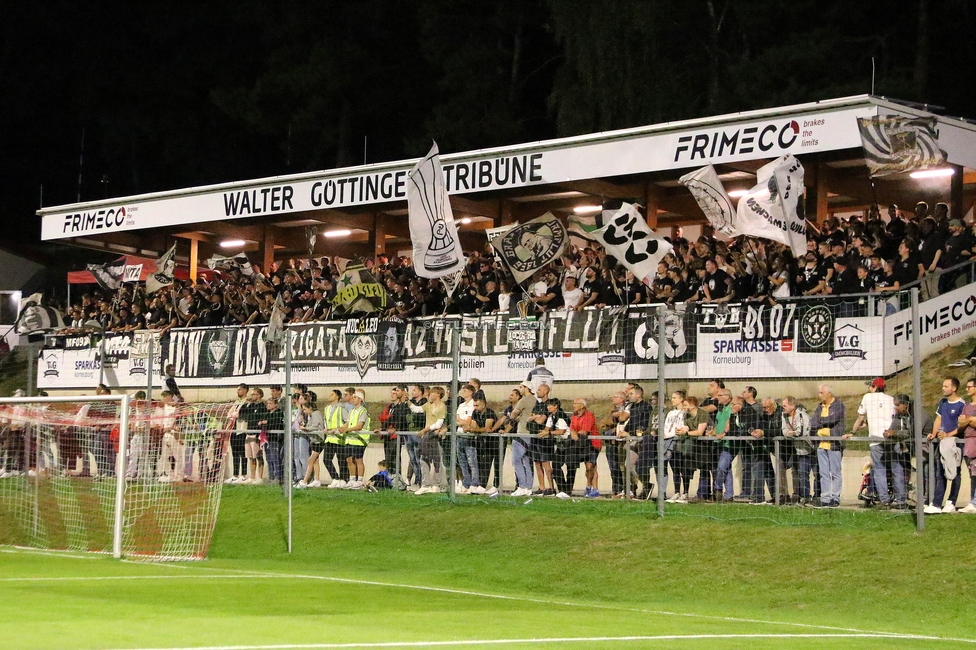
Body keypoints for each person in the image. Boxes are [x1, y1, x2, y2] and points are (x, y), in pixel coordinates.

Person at [851, 378, 898, 508]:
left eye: (870, 386)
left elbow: (860, 417)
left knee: (879, 469)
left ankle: (884, 500)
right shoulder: (890, 399)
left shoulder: (867, 398)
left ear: (875, 387)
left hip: (876, 438)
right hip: (890, 437)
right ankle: (900, 499)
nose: (869, 388)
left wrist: (852, 432)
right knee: (895, 468)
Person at [924, 377, 964, 514]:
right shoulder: (942, 402)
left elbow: (961, 426)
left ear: (954, 388)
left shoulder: (961, 405)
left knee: (954, 472)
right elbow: (938, 419)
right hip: (942, 442)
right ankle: (936, 503)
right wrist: (933, 434)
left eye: (946, 386)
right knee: (940, 471)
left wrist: (949, 435)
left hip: (955, 443)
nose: (943, 388)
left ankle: (951, 501)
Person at [810, 384, 848, 508]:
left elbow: (832, 420)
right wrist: (821, 427)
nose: (819, 395)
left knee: (835, 472)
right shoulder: (819, 407)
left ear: (829, 393)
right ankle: (825, 498)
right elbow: (813, 422)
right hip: (821, 444)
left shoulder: (838, 405)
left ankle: (835, 497)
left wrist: (821, 427)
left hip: (834, 445)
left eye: (821, 392)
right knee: (823, 473)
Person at [409, 386, 447, 494]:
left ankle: (437, 484)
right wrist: (406, 400)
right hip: (426, 436)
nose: (429, 395)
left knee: (437, 461)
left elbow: (438, 424)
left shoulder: (442, 406)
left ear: (438, 395)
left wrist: (425, 429)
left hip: (434, 436)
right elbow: (417, 409)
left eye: (432, 393)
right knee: (423, 459)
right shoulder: (428, 405)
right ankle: (425, 484)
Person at [673, 396, 709, 504]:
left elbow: (699, 432)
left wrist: (686, 433)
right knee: (685, 465)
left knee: (705, 469)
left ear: (692, 406)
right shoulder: (687, 416)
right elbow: (686, 428)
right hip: (695, 446)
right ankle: (686, 493)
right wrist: (681, 430)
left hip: (706, 445)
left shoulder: (702, 414)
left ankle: (705, 494)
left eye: (685, 405)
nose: (683, 407)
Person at [781, 396, 815, 505]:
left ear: (792, 406)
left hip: (810, 449)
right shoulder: (784, 416)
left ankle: (813, 496)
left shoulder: (801, 415)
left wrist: (791, 433)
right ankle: (802, 497)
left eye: (785, 405)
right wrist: (790, 433)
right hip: (798, 450)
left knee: (813, 474)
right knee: (800, 474)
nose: (783, 408)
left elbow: (801, 432)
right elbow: (784, 431)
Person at [507, 381, 537, 497]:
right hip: (530, 434)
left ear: (527, 388)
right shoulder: (535, 400)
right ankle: (528, 487)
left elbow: (514, 414)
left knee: (516, 460)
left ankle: (522, 486)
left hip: (522, 433)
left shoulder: (523, 400)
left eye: (521, 387)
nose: (520, 389)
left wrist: (513, 417)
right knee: (526, 461)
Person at [528, 383, 556, 496]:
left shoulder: (548, 405)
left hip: (545, 439)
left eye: (539, 390)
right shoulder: (537, 405)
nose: (537, 392)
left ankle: (551, 487)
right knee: (537, 463)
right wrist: (536, 416)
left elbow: (541, 421)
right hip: (535, 437)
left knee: (546, 464)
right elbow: (529, 418)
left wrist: (536, 417)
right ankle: (542, 487)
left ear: (545, 391)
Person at [569, 397, 600, 498]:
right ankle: (589, 486)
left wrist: (575, 434)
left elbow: (585, 430)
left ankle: (594, 488)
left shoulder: (589, 415)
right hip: (581, 444)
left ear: (582, 406)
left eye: (576, 403)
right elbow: (572, 428)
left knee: (591, 466)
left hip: (592, 443)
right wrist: (573, 433)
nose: (573, 405)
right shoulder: (574, 416)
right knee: (587, 467)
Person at [541, 397, 572, 498]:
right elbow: (547, 428)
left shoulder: (561, 416)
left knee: (570, 467)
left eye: (550, 405)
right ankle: (561, 489)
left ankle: (567, 490)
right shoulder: (551, 417)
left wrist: (548, 432)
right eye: (547, 405)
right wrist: (544, 432)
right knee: (556, 465)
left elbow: (562, 431)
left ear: (556, 406)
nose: (548, 407)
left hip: (568, 443)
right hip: (560, 444)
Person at [453, 384, 480, 495]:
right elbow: (457, 420)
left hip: (468, 436)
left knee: (471, 461)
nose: (462, 392)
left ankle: (474, 483)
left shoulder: (473, 405)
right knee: (462, 461)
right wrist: (461, 422)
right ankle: (466, 483)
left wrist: (462, 421)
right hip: (459, 434)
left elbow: (468, 421)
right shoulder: (461, 405)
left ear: (470, 392)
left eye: (465, 390)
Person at [469, 396, 498, 496]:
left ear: (484, 404)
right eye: (474, 405)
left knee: (497, 464)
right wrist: (475, 429)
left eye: (477, 405)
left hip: (496, 442)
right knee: (483, 463)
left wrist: (474, 429)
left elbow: (487, 428)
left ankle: (496, 486)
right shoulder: (475, 413)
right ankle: (482, 485)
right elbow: (473, 426)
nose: (475, 407)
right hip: (485, 442)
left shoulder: (489, 413)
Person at [340, 390, 370, 489]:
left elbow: (359, 426)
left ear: (360, 399)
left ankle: (360, 480)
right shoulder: (352, 410)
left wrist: (347, 429)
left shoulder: (363, 411)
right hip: (350, 439)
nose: (353, 399)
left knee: (359, 460)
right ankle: (352, 479)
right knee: (349, 459)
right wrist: (341, 428)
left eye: (355, 397)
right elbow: (348, 423)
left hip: (359, 439)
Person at [238, 387, 268, 484]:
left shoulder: (262, 406)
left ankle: (260, 476)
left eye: (253, 394)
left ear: (259, 395)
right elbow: (241, 412)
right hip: (248, 433)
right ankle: (252, 476)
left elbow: (262, 418)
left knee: (258, 456)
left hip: (256, 433)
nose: (251, 396)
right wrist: (246, 403)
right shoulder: (250, 406)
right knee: (250, 456)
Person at [660, 390, 685, 503]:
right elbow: (666, 425)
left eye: (675, 397)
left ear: (681, 399)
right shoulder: (670, 413)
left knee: (679, 467)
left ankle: (684, 492)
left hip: (677, 441)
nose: (672, 400)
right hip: (667, 440)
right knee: (671, 467)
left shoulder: (684, 412)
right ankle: (676, 491)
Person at [322, 389, 348, 489]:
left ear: (337, 397)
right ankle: (335, 478)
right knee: (326, 459)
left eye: (332, 394)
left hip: (339, 437)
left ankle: (343, 479)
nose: (329, 396)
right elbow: (327, 421)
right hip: (330, 437)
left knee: (341, 460)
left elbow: (347, 421)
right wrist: (326, 428)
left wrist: (338, 429)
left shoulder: (342, 408)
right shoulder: (327, 408)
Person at [297, 399, 325, 488]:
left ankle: (304, 481)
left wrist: (305, 428)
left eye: (305, 409)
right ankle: (317, 480)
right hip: (314, 440)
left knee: (310, 460)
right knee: (316, 461)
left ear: (310, 408)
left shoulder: (316, 414)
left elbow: (315, 426)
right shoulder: (311, 415)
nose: (304, 411)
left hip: (319, 440)